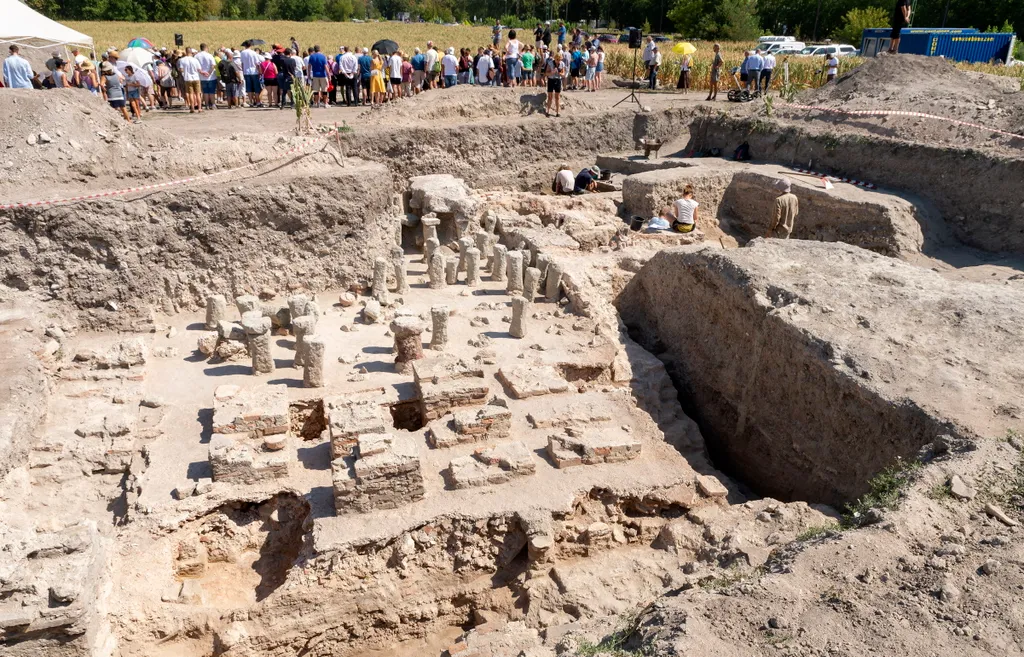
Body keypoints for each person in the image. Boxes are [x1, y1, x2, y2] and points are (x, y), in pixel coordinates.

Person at [177, 48, 202, 113]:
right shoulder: (195, 60)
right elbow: (199, 69)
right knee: (197, 93)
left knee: (190, 93)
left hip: (187, 78)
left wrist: (182, 71)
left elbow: (181, 69)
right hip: (196, 77)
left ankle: (192, 108)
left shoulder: (182, 60)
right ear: (191, 52)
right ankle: (199, 108)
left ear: (186, 52)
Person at [240, 41, 263, 107]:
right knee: (256, 88)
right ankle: (258, 101)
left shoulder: (242, 53)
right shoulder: (253, 53)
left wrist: (243, 70)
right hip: (254, 72)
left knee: (249, 88)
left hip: (246, 72)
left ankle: (251, 101)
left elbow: (242, 63)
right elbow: (257, 63)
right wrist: (259, 71)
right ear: (251, 45)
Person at [195, 44, 217, 110]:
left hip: (201, 76)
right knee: (212, 91)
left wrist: (202, 72)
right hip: (211, 77)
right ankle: (213, 104)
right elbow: (213, 65)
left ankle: (207, 104)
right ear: (206, 48)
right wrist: (209, 72)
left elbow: (196, 66)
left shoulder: (196, 56)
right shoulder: (209, 55)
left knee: (205, 91)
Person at [545, 51, 565, 117]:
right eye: (557, 60)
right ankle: (547, 111)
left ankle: (558, 112)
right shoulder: (550, 63)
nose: (559, 61)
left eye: (560, 60)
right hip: (551, 80)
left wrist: (559, 73)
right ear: (555, 58)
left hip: (558, 80)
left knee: (557, 97)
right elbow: (546, 73)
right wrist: (552, 72)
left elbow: (563, 74)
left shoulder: (562, 64)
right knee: (550, 97)